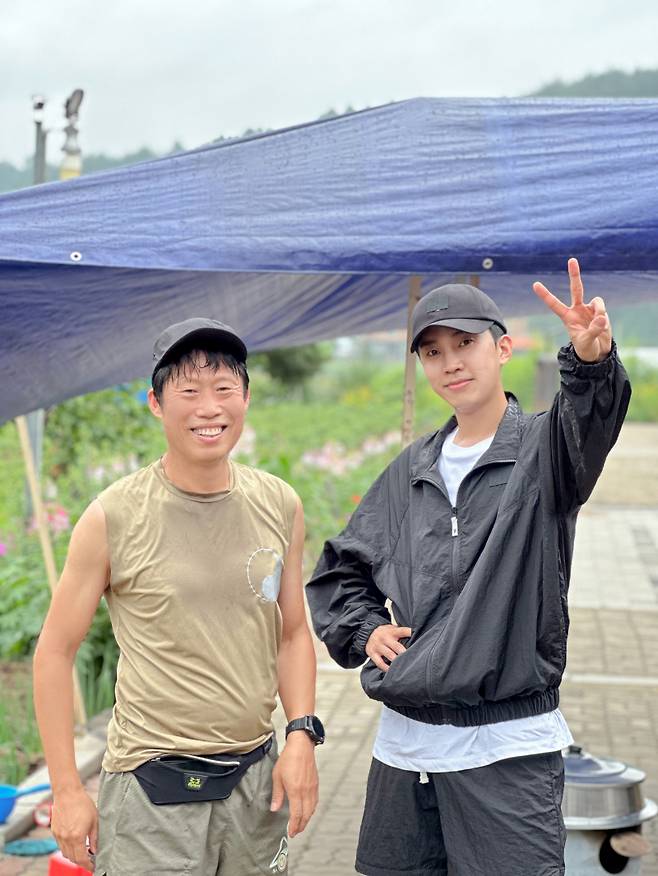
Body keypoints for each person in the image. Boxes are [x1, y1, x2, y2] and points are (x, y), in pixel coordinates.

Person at [306, 259, 631, 876]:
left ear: (502, 348)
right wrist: (365, 628)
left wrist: (592, 365)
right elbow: (339, 572)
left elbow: (589, 422)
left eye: (465, 343)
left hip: (507, 748)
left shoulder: (544, 452)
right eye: (431, 351)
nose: (450, 361)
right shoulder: (411, 470)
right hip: (405, 750)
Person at [33, 318, 323, 875]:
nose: (209, 408)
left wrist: (301, 735)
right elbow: (54, 653)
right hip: (151, 789)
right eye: (189, 392)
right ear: (156, 404)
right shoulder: (113, 516)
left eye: (224, 390)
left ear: (245, 399)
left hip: (257, 783)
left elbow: (291, 633)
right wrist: (67, 790)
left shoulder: (280, 503)